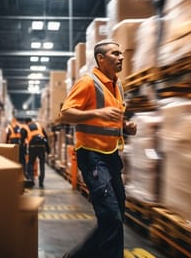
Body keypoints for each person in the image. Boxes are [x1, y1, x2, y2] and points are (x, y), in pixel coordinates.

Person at [59, 39, 137, 258]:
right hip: (92, 157)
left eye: (121, 53)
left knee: (116, 214)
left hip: (111, 156)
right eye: (115, 53)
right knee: (110, 215)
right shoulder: (87, 82)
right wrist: (95, 114)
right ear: (101, 59)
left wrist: (125, 126)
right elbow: (65, 113)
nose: (121, 57)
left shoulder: (117, 84)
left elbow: (114, 116)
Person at [20, 118, 50, 187]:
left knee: (30, 163)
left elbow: (22, 141)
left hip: (32, 147)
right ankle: (41, 181)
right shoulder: (39, 125)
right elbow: (46, 138)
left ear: (26, 122)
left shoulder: (25, 127)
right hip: (41, 147)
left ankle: (31, 179)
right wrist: (48, 150)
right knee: (42, 164)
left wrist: (23, 151)